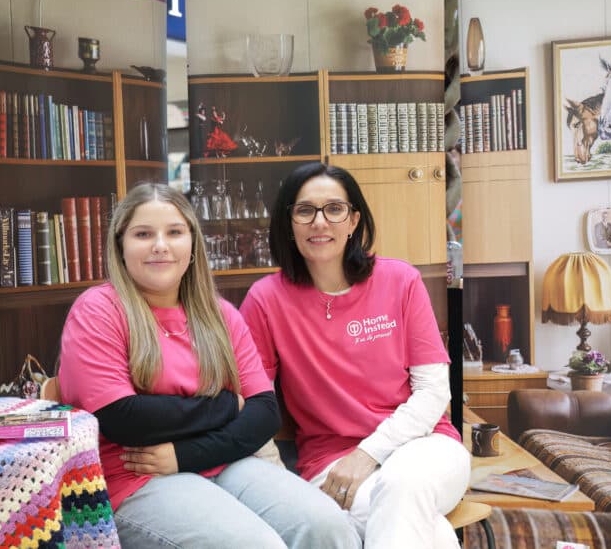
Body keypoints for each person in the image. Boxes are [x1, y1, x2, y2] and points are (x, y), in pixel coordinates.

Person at [58, 183, 359, 549]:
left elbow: (264, 413)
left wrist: (184, 454)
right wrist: (227, 405)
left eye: (174, 232)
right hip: (136, 476)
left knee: (328, 525)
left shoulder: (219, 314)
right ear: (121, 245)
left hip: (225, 462)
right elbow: (124, 418)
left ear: (192, 243)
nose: (160, 245)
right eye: (143, 234)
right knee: (257, 545)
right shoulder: (99, 310)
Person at [240, 163, 471, 548]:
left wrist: (367, 454)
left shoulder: (401, 281)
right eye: (305, 211)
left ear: (354, 220)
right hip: (330, 464)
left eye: (334, 209)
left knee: (401, 487)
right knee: (427, 530)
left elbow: (433, 392)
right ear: (289, 223)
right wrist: (279, 483)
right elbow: (253, 402)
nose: (320, 222)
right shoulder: (265, 300)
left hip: (425, 448)